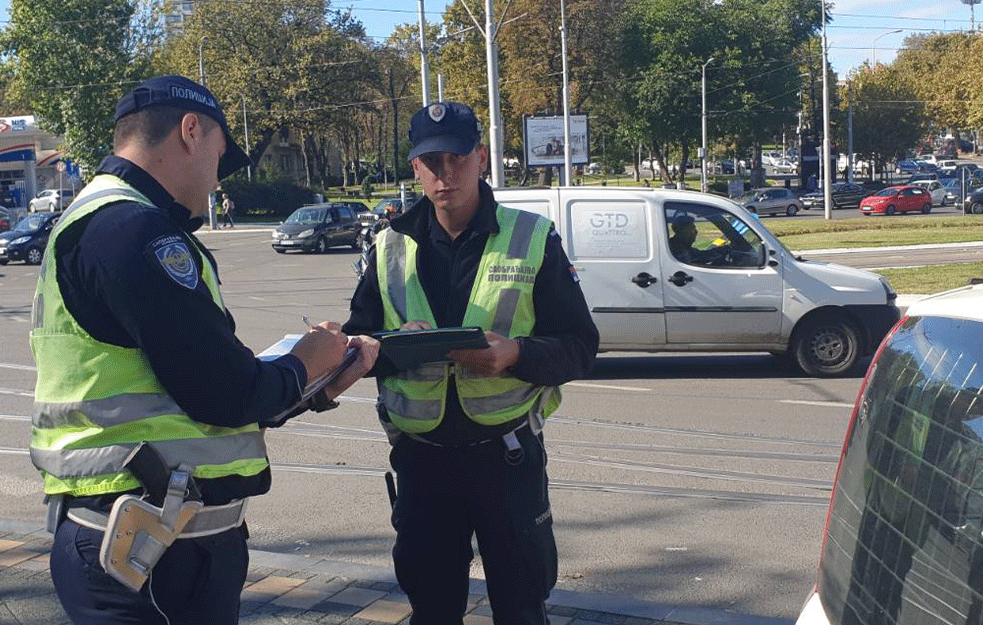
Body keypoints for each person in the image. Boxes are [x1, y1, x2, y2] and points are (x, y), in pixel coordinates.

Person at [29, 75, 380, 625]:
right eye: (220, 155)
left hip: (143, 542)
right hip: (148, 557)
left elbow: (184, 400)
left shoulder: (103, 221)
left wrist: (311, 383)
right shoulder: (136, 231)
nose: (218, 179)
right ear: (191, 131)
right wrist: (305, 361)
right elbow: (224, 393)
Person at [343, 101, 599, 624]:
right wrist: (390, 344)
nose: (445, 173)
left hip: (506, 458)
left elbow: (579, 344)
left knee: (522, 609)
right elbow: (358, 344)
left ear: (481, 158)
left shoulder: (531, 237)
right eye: (430, 161)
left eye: (457, 158)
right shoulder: (388, 244)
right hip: (423, 460)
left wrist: (516, 354)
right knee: (432, 611)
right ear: (414, 168)